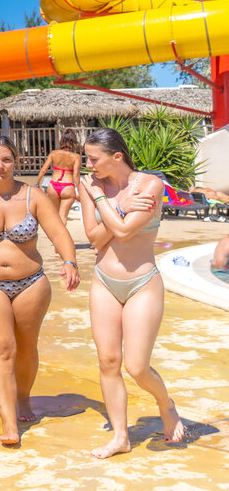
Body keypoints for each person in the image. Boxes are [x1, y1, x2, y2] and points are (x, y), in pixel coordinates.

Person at [0, 135, 79, 446]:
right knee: (1, 348)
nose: (0, 166)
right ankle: (8, 420)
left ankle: (22, 397)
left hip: (30, 283)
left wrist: (70, 261)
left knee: (26, 348)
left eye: (6, 160)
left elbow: (59, 232)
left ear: (16, 162)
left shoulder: (33, 196)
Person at [77, 127, 185, 457]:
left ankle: (165, 404)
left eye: (93, 159)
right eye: (86, 159)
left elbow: (123, 233)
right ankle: (120, 437)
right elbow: (94, 239)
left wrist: (106, 203)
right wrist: (119, 206)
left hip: (142, 283)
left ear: (117, 157)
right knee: (108, 361)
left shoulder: (150, 185)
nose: (88, 166)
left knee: (137, 367)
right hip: (104, 282)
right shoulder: (90, 185)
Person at [36, 130, 82, 223]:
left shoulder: (54, 153)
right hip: (67, 186)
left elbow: (44, 170)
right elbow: (76, 175)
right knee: (63, 216)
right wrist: (79, 189)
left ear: (61, 141)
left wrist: (37, 183)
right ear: (74, 141)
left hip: (53, 185)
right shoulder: (76, 157)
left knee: (55, 215)